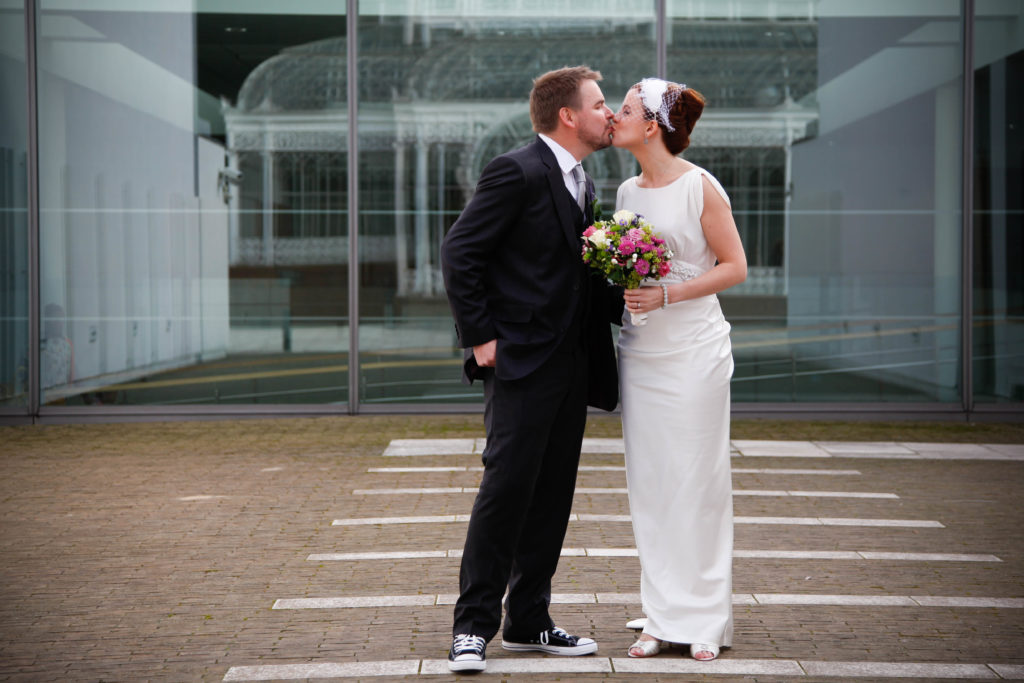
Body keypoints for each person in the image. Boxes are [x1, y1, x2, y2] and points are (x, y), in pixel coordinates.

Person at [440, 65, 623, 673]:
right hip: (519, 364)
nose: (609, 114)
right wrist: (481, 337)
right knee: (505, 492)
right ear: (568, 115)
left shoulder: (584, 183)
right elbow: (461, 250)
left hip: (571, 366)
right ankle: (472, 628)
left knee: (551, 497)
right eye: (600, 104)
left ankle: (528, 620)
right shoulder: (516, 170)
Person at [610, 78, 747, 661]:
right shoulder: (624, 189)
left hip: (694, 353)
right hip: (641, 354)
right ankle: (662, 614)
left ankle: (704, 618)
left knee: (698, 483)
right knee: (652, 485)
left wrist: (669, 295)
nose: (614, 116)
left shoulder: (700, 186)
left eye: (626, 109)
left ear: (652, 127)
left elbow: (736, 266)